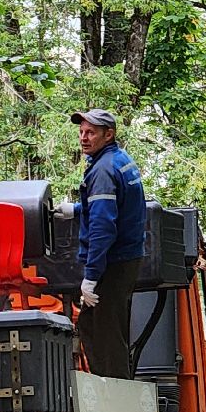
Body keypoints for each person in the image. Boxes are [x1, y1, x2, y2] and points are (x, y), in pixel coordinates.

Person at [70, 108, 146, 379]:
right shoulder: (119, 160)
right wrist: (77, 209)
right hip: (127, 258)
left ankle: (116, 397)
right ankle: (116, 390)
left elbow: (103, 228)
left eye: (90, 132)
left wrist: (91, 277)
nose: (83, 138)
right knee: (100, 326)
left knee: (103, 333)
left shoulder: (102, 170)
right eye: (81, 132)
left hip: (113, 263)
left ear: (108, 134)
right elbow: (117, 205)